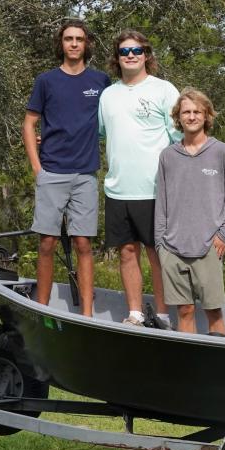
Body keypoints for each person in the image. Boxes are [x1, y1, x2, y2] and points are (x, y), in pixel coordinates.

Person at [23, 18, 110, 317]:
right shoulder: (45, 81)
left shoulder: (101, 82)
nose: (74, 43)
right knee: (46, 243)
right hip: (52, 172)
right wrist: (38, 168)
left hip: (85, 175)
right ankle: (41, 310)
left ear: (87, 45)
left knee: (83, 243)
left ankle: (87, 314)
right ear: (61, 44)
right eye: (68, 39)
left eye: (79, 39)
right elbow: (29, 122)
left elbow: (111, 121)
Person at [98, 30, 180, 327]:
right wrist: (50, 140)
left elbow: (181, 138)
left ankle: (160, 315)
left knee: (157, 255)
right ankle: (134, 313)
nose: (130, 55)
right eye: (124, 51)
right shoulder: (108, 95)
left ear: (146, 55)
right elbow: (95, 134)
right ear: (116, 58)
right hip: (118, 189)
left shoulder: (164, 90)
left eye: (136, 50)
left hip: (156, 189)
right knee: (127, 252)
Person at [155, 88, 225, 335]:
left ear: (206, 116)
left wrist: (223, 236)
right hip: (172, 249)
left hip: (208, 249)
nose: (191, 117)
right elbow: (161, 205)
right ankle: (188, 369)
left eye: (197, 112)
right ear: (178, 117)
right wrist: (161, 246)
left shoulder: (222, 153)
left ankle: (218, 369)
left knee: (213, 311)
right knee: (184, 311)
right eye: (186, 112)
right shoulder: (167, 156)